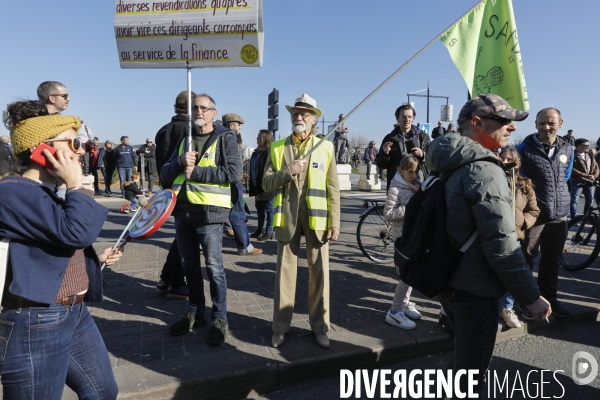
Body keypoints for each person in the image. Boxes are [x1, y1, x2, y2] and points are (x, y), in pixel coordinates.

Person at [425, 94, 551, 395]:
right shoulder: (483, 169)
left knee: (461, 362)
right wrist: (530, 297)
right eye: (503, 120)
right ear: (477, 123)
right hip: (476, 288)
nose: (511, 127)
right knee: (471, 374)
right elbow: (502, 245)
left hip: (449, 279)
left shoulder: (447, 160)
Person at [0, 101, 122, 399]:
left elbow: (59, 238)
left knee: (102, 391)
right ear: (42, 149)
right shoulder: (12, 191)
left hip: (73, 312)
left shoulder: (46, 192)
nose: (81, 150)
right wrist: (77, 185)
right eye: (74, 142)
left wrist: (96, 258)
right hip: (35, 320)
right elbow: (75, 232)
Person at [160, 93, 241, 344]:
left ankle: (219, 316)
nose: (199, 112)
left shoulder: (225, 137)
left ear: (214, 113)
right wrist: (179, 163)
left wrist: (197, 172)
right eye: (195, 107)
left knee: (214, 269)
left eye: (204, 108)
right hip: (182, 213)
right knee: (189, 267)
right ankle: (196, 313)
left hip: (209, 214)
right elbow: (164, 173)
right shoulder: (185, 139)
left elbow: (234, 172)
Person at [263, 94, 341, 349]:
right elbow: (265, 183)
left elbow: (333, 188)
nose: (299, 117)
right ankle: (280, 327)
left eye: (304, 114)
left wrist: (335, 222)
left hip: (317, 219)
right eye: (295, 113)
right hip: (287, 217)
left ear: (314, 119)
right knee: (284, 275)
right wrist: (289, 171)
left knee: (320, 275)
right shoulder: (277, 148)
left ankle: (320, 327)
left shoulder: (325, 146)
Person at [516, 107, 573, 319]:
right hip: (535, 215)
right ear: (536, 125)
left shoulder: (568, 149)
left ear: (560, 123)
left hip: (559, 215)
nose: (546, 127)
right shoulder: (523, 149)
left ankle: (550, 300)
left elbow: (565, 178)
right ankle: (527, 301)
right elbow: (519, 181)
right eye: (542, 123)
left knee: (552, 260)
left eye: (551, 123)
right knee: (527, 259)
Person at [154, 91, 193, 299]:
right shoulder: (189, 130)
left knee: (180, 237)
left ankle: (166, 279)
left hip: (167, 188)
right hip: (185, 191)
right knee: (185, 239)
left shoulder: (164, 130)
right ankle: (175, 283)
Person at [498, 147, 540, 329]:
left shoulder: (525, 186)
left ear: (518, 163)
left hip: (515, 236)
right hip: (494, 234)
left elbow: (534, 210)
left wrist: (523, 223)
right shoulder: (494, 180)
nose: (505, 162)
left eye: (509, 159)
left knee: (511, 272)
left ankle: (507, 308)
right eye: (503, 159)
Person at [383, 155, 422, 330]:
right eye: (410, 172)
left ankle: (404, 304)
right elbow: (388, 214)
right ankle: (395, 311)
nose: (414, 175)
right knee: (406, 276)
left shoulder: (416, 186)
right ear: (401, 172)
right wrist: (410, 207)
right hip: (403, 238)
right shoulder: (396, 188)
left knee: (412, 274)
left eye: (416, 171)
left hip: (415, 235)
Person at [221, 113, 262, 255]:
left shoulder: (221, 137)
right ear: (232, 126)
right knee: (237, 213)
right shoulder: (229, 138)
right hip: (232, 181)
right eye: (239, 125)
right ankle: (244, 246)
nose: (240, 128)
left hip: (228, 180)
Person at [377, 104, 430, 189]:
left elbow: (433, 160)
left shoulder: (423, 137)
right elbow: (381, 164)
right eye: (404, 117)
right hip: (397, 187)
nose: (407, 120)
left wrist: (423, 155)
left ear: (413, 118)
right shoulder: (389, 138)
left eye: (409, 116)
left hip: (420, 186)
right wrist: (385, 154)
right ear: (397, 118)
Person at [249, 130, 276, 241]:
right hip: (257, 186)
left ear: (266, 139)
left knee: (269, 209)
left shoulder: (270, 152)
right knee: (259, 208)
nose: (257, 139)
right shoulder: (256, 152)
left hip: (267, 186)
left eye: (259, 137)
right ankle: (260, 229)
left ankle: (269, 231)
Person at [569, 138, 599, 219]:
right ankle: (574, 219)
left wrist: (594, 176)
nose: (587, 147)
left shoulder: (590, 155)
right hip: (577, 181)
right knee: (574, 201)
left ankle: (587, 218)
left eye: (588, 145)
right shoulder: (571, 155)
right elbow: (571, 169)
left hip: (589, 182)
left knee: (590, 201)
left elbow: (596, 167)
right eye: (585, 145)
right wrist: (586, 175)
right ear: (578, 146)